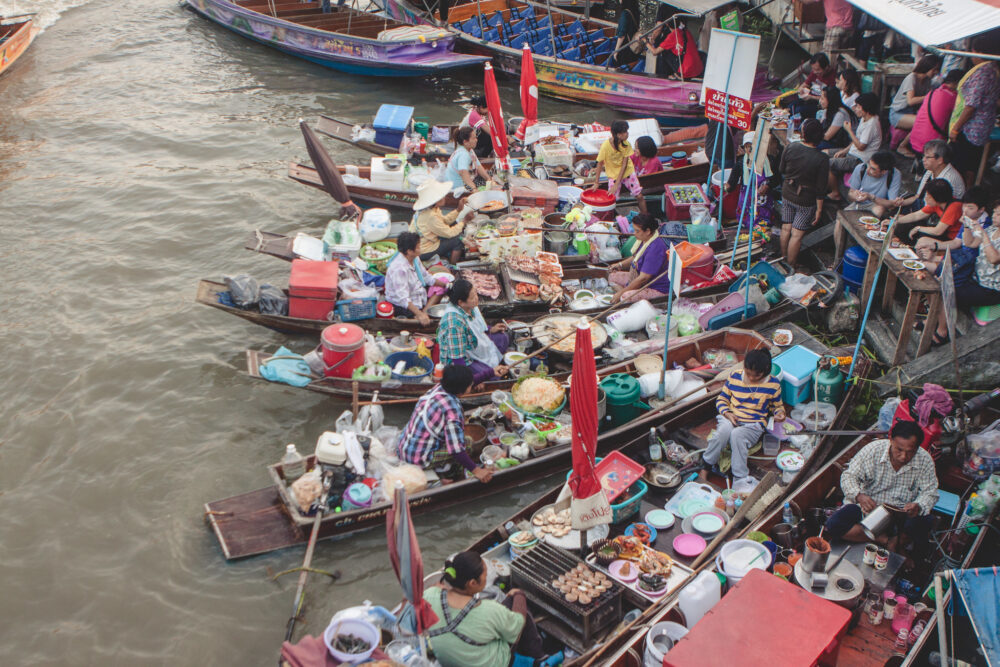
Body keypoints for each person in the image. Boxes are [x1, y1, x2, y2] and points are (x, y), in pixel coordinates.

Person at [824, 421, 938, 555]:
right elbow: (849, 476)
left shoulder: (924, 460)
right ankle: (885, 540)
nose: (903, 457)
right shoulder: (873, 450)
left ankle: (893, 541)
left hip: (900, 514)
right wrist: (859, 496)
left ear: (917, 448)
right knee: (834, 524)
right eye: (899, 450)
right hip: (868, 511)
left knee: (925, 521)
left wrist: (918, 506)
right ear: (891, 439)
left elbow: (930, 493)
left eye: (910, 452)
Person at [423, 551, 543, 667]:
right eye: (485, 575)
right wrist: (519, 595)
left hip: (450, 660)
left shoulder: (429, 595)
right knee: (520, 610)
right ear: (473, 583)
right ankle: (538, 657)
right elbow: (517, 628)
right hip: (494, 663)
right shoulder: (488, 610)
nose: (487, 578)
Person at [699, 349, 785, 493]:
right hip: (731, 417)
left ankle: (739, 479)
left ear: (765, 371)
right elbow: (722, 399)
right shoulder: (735, 376)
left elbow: (777, 407)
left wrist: (780, 414)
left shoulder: (773, 385)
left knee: (737, 435)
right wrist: (727, 413)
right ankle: (706, 466)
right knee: (723, 432)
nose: (751, 377)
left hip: (754, 424)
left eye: (756, 375)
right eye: (748, 372)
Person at [397, 364, 495, 483]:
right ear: (461, 389)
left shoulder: (439, 388)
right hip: (417, 458)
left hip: (405, 446)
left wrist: (491, 372)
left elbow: (467, 383)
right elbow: (457, 450)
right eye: (470, 386)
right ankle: (452, 474)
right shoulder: (452, 410)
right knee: (467, 443)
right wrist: (476, 470)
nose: (471, 386)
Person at [948, 37, 1000, 187]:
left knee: (964, 163)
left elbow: (971, 106)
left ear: (978, 52)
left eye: (972, 51)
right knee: (971, 161)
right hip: (984, 125)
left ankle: (962, 192)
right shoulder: (994, 70)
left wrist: (956, 128)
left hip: (972, 128)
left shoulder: (982, 74)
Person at [437, 279, 509, 386]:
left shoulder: (469, 306)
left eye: (475, 294)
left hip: (471, 343)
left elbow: (476, 325)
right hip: (462, 358)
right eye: (473, 297)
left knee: (503, 337)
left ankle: (489, 363)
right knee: (493, 376)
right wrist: (474, 379)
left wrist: (490, 329)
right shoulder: (454, 324)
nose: (477, 298)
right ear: (460, 302)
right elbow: (458, 361)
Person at [779, 119, 829, 267]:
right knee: (797, 234)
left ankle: (783, 258)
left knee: (786, 228)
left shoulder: (791, 147)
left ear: (803, 134)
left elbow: (781, 170)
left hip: (788, 192)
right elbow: (821, 188)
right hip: (806, 201)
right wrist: (819, 210)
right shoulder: (822, 159)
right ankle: (791, 265)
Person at [384, 231, 445, 326]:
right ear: (409, 251)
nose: (420, 249)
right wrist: (419, 314)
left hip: (417, 294)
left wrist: (445, 284)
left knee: (442, 282)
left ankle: (424, 311)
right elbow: (403, 299)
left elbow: (426, 276)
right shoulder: (399, 269)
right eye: (418, 247)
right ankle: (423, 313)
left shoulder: (415, 258)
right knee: (421, 319)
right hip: (403, 307)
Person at [828, 92, 882, 199]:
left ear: (864, 108)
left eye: (857, 106)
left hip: (860, 159)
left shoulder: (872, 124)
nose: (855, 109)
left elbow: (861, 146)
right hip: (852, 152)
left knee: (827, 163)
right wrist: (844, 151)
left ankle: (835, 193)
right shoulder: (864, 118)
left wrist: (849, 131)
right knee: (824, 153)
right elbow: (856, 139)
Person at [607, 213, 671, 303]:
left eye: (637, 231)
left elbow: (643, 278)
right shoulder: (645, 240)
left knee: (625, 296)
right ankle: (627, 293)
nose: (634, 234)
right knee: (612, 277)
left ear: (648, 231)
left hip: (656, 288)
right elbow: (635, 257)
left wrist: (621, 292)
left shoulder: (655, 249)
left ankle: (625, 297)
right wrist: (619, 265)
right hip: (639, 278)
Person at [900, 69, 962, 158]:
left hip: (915, 140)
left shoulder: (932, 93)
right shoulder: (953, 97)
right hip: (931, 147)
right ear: (958, 82)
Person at [591, 120, 648, 214]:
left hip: (627, 172)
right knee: (611, 198)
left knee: (639, 196)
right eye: (625, 132)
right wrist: (596, 182)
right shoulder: (605, 146)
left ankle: (645, 215)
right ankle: (611, 218)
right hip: (613, 175)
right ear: (618, 135)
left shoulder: (626, 144)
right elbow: (600, 163)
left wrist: (617, 184)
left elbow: (624, 165)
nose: (627, 134)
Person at [725, 130, 780, 228]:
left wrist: (768, 185)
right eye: (746, 146)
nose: (749, 149)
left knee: (763, 225)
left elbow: (777, 179)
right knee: (748, 224)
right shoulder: (741, 163)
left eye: (752, 146)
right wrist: (727, 187)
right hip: (747, 200)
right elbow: (732, 183)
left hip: (763, 200)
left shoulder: (770, 161)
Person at [410, 179, 472, 264]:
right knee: (458, 241)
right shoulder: (431, 216)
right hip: (424, 250)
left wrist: (458, 209)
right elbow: (449, 233)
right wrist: (464, 221)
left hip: (426, 240)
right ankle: (453, 265)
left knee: (454, 224)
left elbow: (444, 221)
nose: (444, 197)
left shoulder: (432, 209)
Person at [893, 140, 965, 210]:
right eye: (923, 156)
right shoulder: (930, 170)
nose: (923, 159)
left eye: (927, 157)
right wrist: (902, 202)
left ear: (940, 160)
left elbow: (932, 209)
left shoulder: (948, 179)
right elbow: (918, 196)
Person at [892, 178, 963, 245]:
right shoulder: (937, 203)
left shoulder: (954, 207)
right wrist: (895, 220)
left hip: (952, 240)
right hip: (944, 234)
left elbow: (938, 231)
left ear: (937, 197)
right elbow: (917, 215)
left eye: (928, 196)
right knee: (902, 226)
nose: (926, 198)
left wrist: (918, 228)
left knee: (921, 236)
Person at [889, 55, 941, 133]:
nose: (936, 72)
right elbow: (911, 101)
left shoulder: (927, 80)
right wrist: (930, 95)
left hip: (912, 112)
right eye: (934, 69)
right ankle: (902, 145)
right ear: (927, 66)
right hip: (898, 113)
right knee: (924, 123)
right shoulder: (911, 78)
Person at [846, 150, 901, 217]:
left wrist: (871, 197)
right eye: (869, 164)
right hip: (858, 204)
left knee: (879, 209)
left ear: (884, 172)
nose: (867, 169)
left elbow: (892, 204)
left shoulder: (894, 175)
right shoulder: (861, 168)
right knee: (840, 218)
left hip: (877, 205)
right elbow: (850, 193)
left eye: (873, 169)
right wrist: (854, 196)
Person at [444, 126, 492, 195]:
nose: (476, 140)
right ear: (465, 142)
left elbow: (478, 166)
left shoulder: (470, 150)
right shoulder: (463, 154)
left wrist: (488, 179)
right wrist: (474, 188)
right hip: (457, 187)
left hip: (463, 181)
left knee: (488, 174)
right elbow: (463, 173)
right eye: (474, 138)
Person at [793, 52, 838, 119]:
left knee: (799, 110)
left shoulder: (833, 78)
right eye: (813, 69)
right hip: (809, 98)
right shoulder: (814, 73)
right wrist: (801, 89)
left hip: (820, 104)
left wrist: (811, 97)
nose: (814, 72)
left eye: (817, 70)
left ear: (826, 67)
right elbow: (804, 84)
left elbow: (829, 100)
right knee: (792, 105)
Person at [613, 0, 640, 67]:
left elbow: (621, 36)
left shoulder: (625, 13)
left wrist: (616, 51)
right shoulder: (635, 11)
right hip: (633, 47)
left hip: (624, 49)